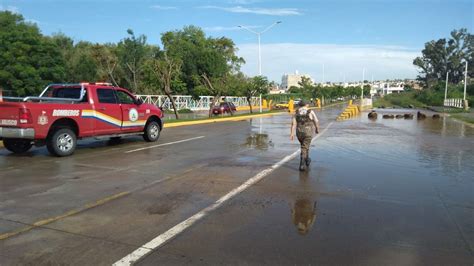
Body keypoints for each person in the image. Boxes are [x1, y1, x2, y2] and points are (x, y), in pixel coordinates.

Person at [290, 100, 320, 171]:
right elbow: (316, 121)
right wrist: (317, 129)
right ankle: (302, 164)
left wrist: (292, 133)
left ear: (299, 105)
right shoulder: (310, 111)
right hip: (308, 131)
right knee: (305, 147)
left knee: (304, 146)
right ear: (306, 104)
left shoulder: (296, 112)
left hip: (299, 132)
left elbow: (293, 124)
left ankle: (307, 159)